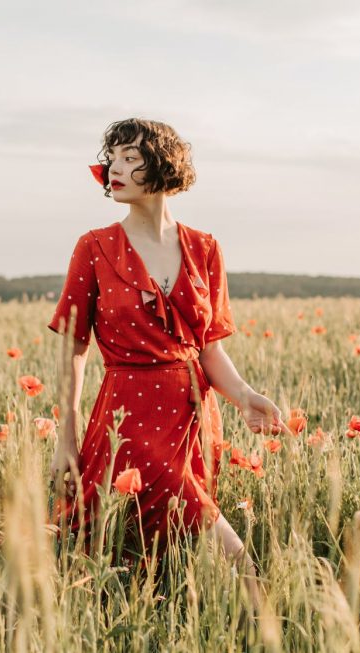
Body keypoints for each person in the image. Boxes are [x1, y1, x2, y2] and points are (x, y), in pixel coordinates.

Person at [46, 117, 289, 612]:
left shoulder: (204, 248)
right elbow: (72, 346)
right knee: (227, 549)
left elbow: (209, 348)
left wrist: (243, 396)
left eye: (130, 157)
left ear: (162, 167)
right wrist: (66, 436)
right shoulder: (93, 247)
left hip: (192, 414)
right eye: (111, 157)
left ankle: (175, 622)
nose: (115, 167)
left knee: (154, 548)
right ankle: (271, 627)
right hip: (126, 416)